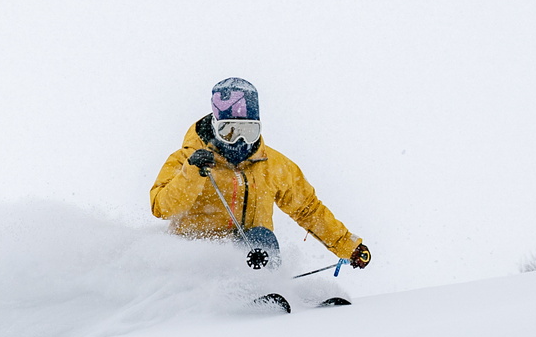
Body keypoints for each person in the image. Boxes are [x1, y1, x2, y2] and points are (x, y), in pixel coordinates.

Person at [149, 77, 371, 270]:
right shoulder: (187, 159)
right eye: (229, 132)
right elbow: (161, 207)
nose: (240, 141)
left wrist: (347, 246)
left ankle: (264, 296)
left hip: (252, 258)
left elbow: (308, 209)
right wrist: (192, 172)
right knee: (250, 242)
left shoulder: (272, 165)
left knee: (261, 237)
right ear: (215, 128)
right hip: (196, 259)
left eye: (249, 131)